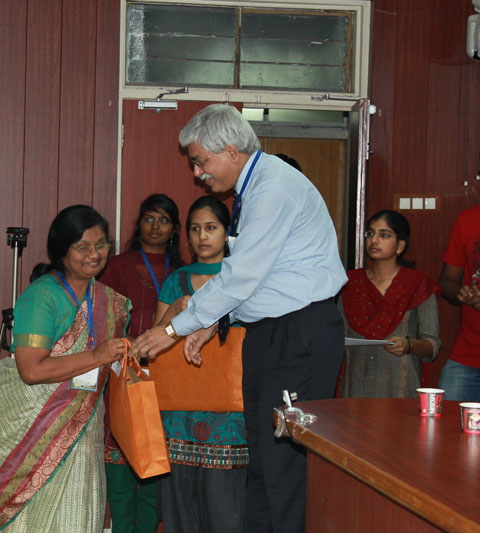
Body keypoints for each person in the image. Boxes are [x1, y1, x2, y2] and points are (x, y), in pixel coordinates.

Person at [130, 103, 347, 532]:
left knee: (284, 469)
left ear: (231, 150)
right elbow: (261, 278)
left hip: (299, 335)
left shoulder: (273, 188)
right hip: (270, 334)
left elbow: (241, 275)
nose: (197, 173)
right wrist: (214, 320)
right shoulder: (254, 189)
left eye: (200, 161)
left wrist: (174, 328)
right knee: (262, 466)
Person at [0, 205, 131, 533]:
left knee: (79, 519)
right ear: (62, 251)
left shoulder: (108, 301)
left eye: (101, 245)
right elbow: (31, 371)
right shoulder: (41, 297)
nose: (94, 254)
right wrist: (97, 356)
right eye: (83, 247)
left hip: (82, 432)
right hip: (32, 430)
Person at [152, 195, 248, 533]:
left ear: (227, 233)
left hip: (230, 411)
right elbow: (155, 339)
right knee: (179, 502)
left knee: (226, 507)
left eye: (211, 228)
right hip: (178, 411)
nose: (202, 236)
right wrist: (176, 309)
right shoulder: (176, 279)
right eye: (195, 229)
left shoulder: (242, 279)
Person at [97, 193, 183, 533]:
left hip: (167, 376)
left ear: (174, 229)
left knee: (154, 465)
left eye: (163, 220)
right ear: (139, 223)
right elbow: (101, 316)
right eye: (149, 218)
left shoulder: (182, 271)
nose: (155, 226)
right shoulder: (117, 266)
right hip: (123, 371)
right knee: (119, 463)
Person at [339, 210, 441, 398]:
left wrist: (409, 345)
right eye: (370, 234)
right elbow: (337, 338)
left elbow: (433, 346)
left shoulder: (418, 284)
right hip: (355, 389)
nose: (374, 240)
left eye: (384, 235)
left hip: (400, 390)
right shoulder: (350, 283)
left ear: (400, 246)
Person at [437, 204, 480, 402]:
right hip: (467, 353)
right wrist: (464, 294)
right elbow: (446, 282)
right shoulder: (467, 219)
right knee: (444, 418)